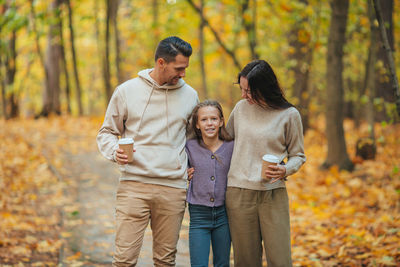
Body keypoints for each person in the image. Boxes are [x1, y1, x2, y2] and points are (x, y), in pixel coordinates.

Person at [96, 36, 199, 267]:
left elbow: (194, 140)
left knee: (165, 261)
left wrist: (194, 167)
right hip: (134, 185)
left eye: (185, 68)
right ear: (161, 63)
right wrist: (115, 151)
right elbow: (106, 132)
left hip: (173, 189)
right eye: (179, 68)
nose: (183, 74)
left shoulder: (190, 96)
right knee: (124, 260)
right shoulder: (126, 91)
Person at [225, 59, 306, 267]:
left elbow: (298, 155)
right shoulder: (241, 109)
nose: (244, 95)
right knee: (245, 261)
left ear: (264, 88)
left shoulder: (289, 115)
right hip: (239, 193)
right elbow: (224, 145)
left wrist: (285, 169)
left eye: (249, 91)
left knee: (280, 259)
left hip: (273, 193)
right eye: (241, 89)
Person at [185, 100, 234, 267]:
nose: (209, 123)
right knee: (198, 264)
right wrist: (183, 172)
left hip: (224, 214)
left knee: (222, 263)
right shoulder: (189, 146)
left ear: (221, 121)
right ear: (197, 124)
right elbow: (175, 165)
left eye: (214, 119)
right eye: (204, 120)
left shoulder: (231, 146)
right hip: (198, 215)